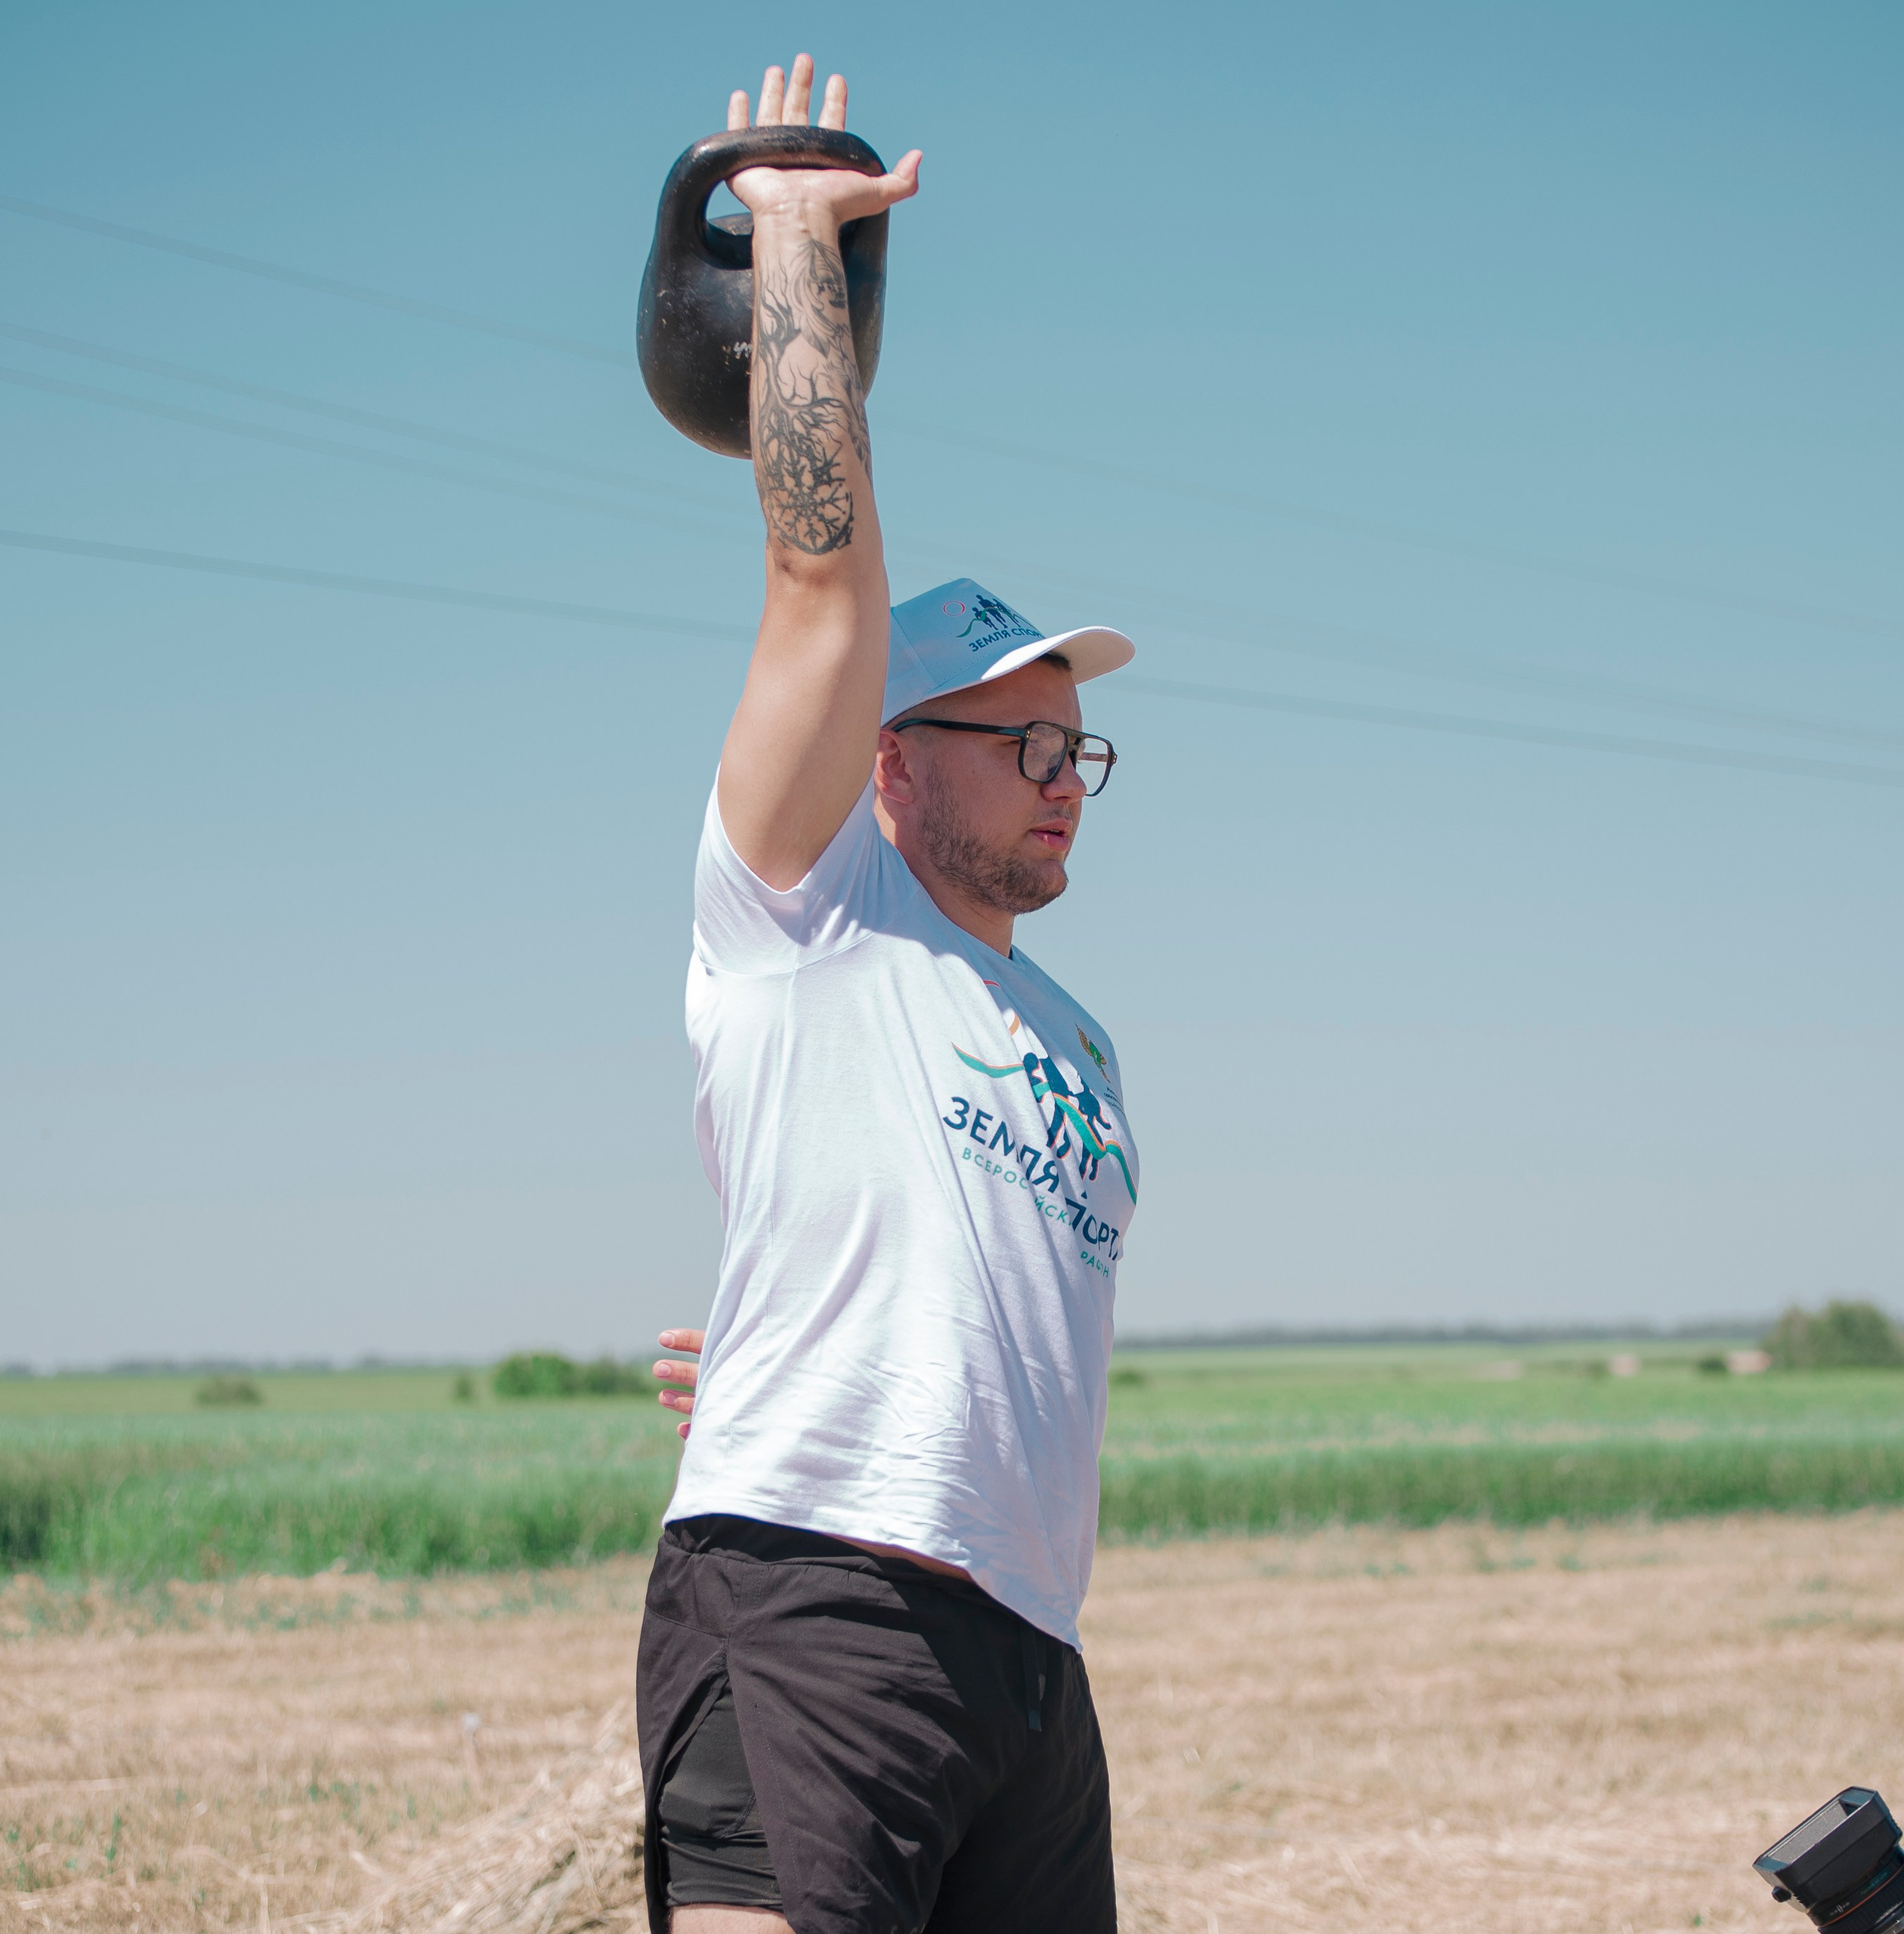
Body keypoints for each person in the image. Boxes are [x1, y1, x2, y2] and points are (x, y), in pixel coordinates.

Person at [635, 53, 1140, 1934]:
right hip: (817, 1602)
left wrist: (773, 1340)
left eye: (1079, 749)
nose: (1059, 775)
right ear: (886, 762)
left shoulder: (1079, 1046)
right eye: (1018, 736)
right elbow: (815, 587)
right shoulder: (800, 912)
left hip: (1026, 1659)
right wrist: (787, 260)